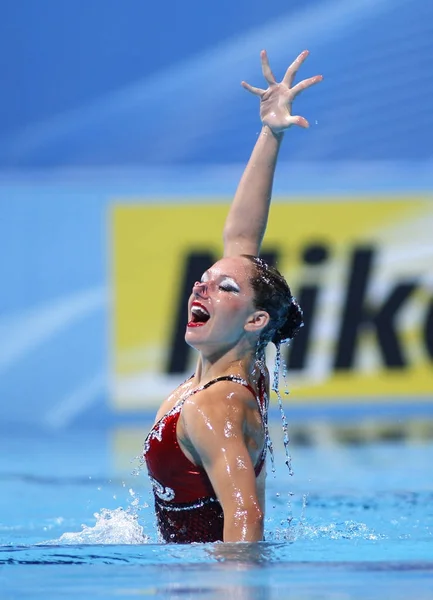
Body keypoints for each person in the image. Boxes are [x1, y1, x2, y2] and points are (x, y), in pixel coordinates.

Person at [144, 50, 322, 543]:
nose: (200, 285)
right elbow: (243, 241)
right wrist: (271, 132)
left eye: (224, 288)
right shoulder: (240, 372)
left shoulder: (217, 405)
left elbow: (246, 522)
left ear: (254, 320)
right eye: (204, 278)